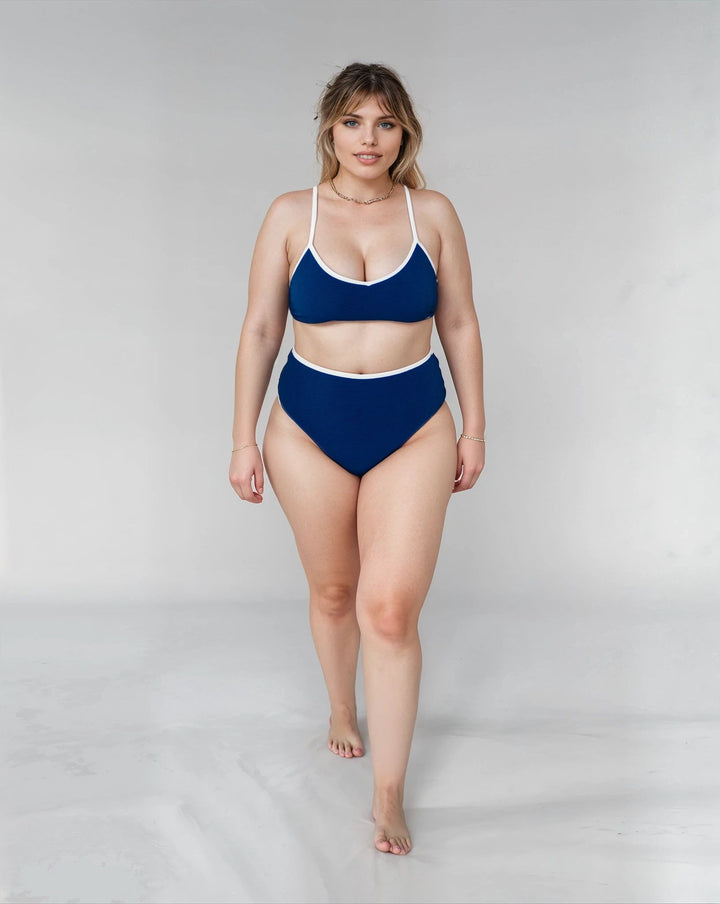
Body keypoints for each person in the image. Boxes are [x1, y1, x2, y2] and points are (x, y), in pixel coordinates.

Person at [229, 62, 485, 856]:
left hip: (414, 426)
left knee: (390, 610)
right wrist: (242, 438)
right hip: (308, 428)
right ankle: (342, 705)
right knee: (335, 591)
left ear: (405, 132)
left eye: (384, 123)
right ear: (329, 129)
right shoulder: (290, 214)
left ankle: (388, 794)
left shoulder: (432, 214)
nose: (368, 138)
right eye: (352, 122)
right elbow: (261, 330)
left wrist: (474, 428)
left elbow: (461, 323)